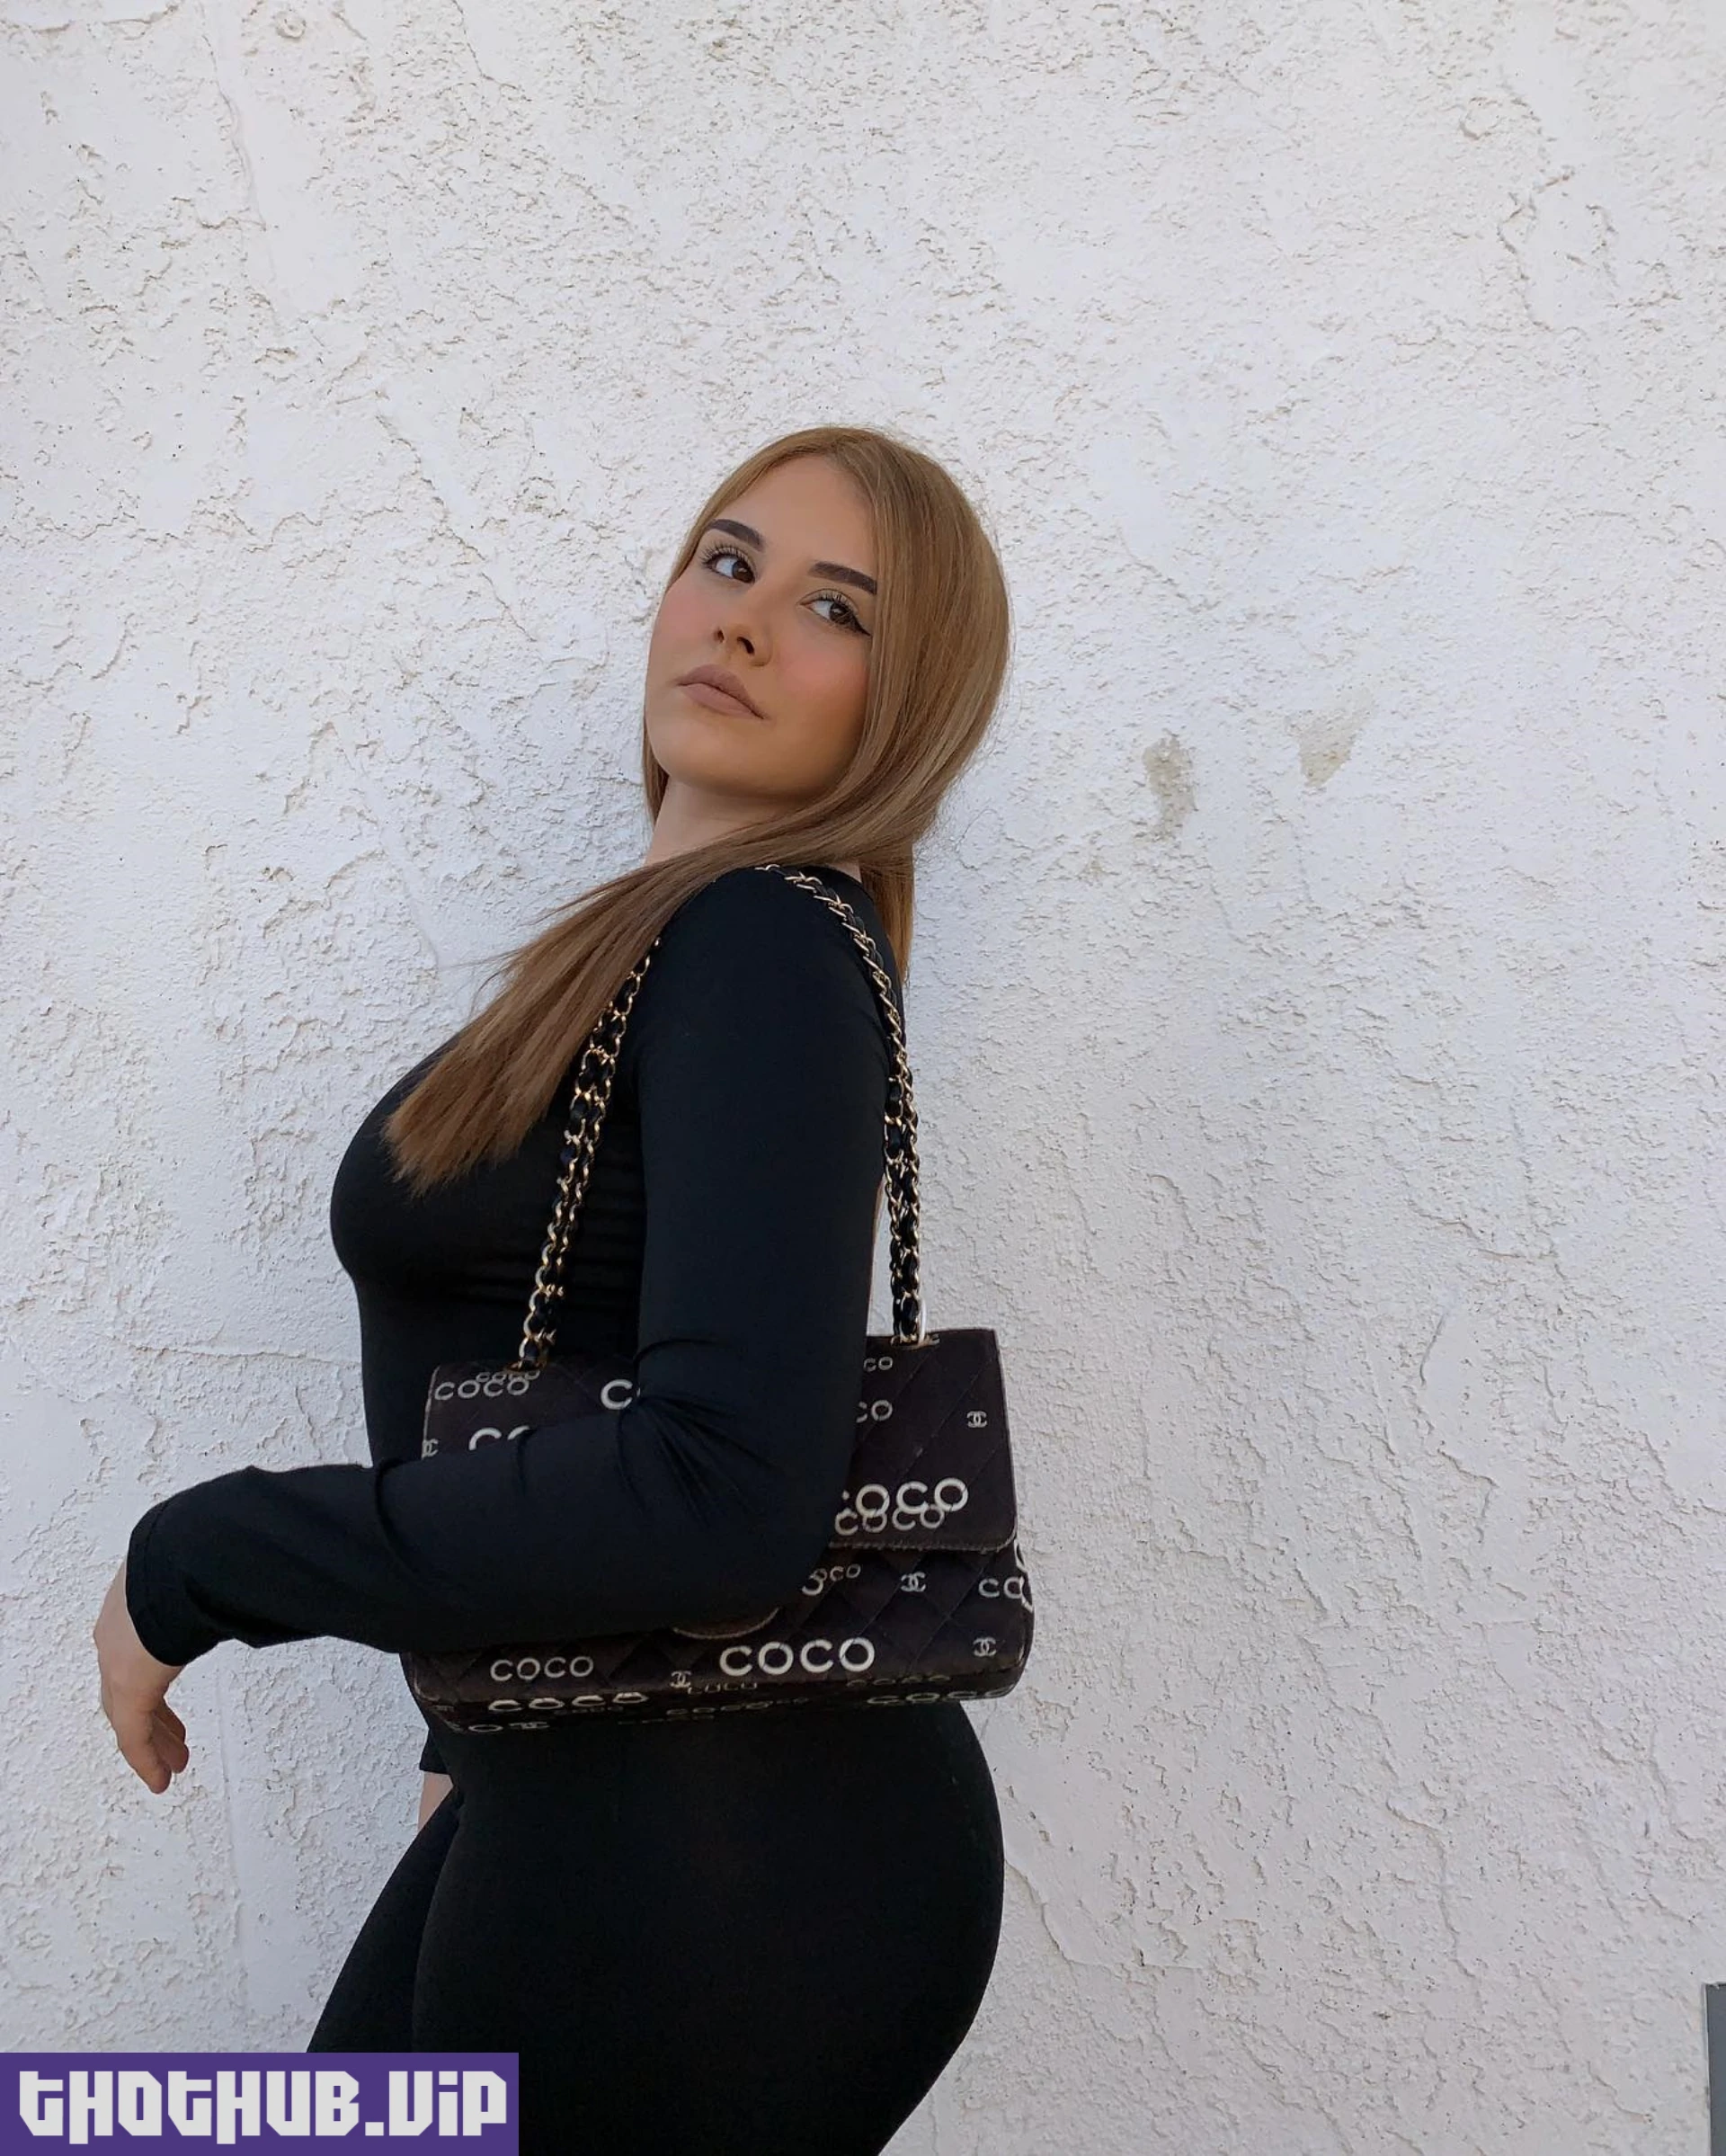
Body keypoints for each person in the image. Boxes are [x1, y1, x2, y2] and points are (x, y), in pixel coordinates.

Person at [92, 423, 1015, 2153]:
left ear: (908, 709)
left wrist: (205, 1554)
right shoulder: (657, 950)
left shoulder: (760, 944)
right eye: (727, 561)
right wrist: (467, 1732)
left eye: (836, 608)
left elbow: (723, 1497)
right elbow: (554, 1378)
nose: (743, 620)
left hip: (730, 1839)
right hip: (598, 1788)